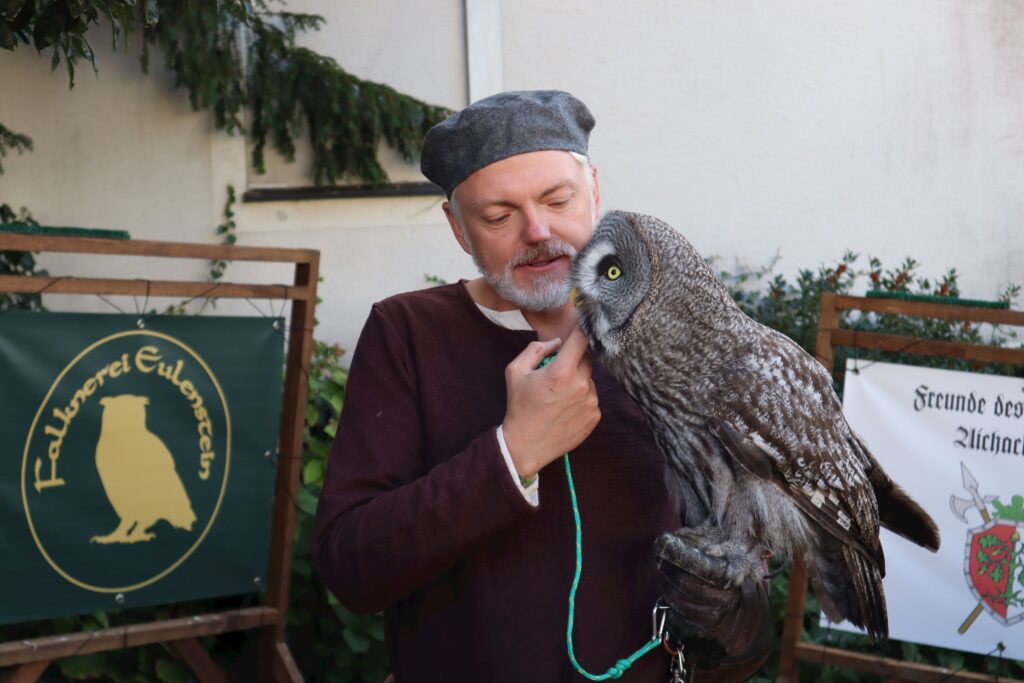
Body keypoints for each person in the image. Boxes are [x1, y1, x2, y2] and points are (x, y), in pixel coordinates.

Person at [313, 90, 772, 682]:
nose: (537, 231)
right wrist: (514, 453)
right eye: (498, 216)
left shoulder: (682, 334)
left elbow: (741, 601)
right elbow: (352, 569)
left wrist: (731, 612)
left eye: (558, 200)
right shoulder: (408, 334)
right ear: (457, 227)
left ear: (595, 191)